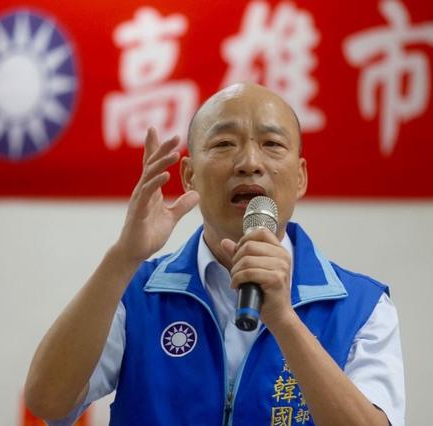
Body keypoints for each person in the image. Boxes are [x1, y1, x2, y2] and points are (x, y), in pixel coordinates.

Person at [24, 83, 405, 426]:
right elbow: (48, 402)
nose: (250, 162)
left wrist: (285, 322)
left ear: (301, 176)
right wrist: (123, 257)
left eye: (272, 144)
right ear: (189, 175)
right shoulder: (135, 292)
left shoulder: (362, 306)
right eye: (224, 144)